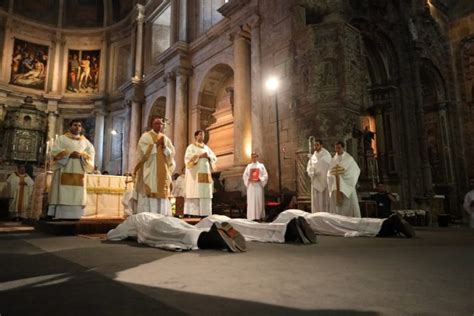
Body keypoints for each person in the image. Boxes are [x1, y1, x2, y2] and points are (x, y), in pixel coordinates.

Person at [197, 209, 415, 241]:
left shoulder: (285, 213)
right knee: (336, 222)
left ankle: (384, 225)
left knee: (334, 222)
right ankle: (383, 225)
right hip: (299, 219)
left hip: (297, 218)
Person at [107, 212, 247, 252]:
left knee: (177, 235)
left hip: (150, 227)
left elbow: (112, 235)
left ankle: (214, 240)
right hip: (168, 219)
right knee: (186, 229)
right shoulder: (151, 213)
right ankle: (211, 234)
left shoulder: (131, 220)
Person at [47, 119, 95, 220]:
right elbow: (55, 151)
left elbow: (91, 154)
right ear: (70, 127)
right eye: (75, 125)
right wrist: (69, 154)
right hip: (64, 168)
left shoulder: (86, 142)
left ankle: (76, 215)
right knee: (62, 191)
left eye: (79, 125)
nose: (77, 127)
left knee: (77, 193)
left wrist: (81, 155)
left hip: (79, 169)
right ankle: (60, 214)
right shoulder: (61, 139)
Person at [133, 118, 175, 216]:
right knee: (151, 189)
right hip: (150, 168)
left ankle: (162, 214)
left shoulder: (166, 138)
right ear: (152, 125)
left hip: (162, 170)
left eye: (161, 124)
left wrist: (164, 147)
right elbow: (142, 153)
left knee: (162, 190)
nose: (159, 126)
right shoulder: (145, 137)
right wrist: (156, 145)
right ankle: (149, 215)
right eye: (157, 124)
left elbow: (171, 154)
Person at [184, 130, 217, 217]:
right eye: (200, 134)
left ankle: (205, 213)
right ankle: (195, 214)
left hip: (206, 174)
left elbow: (214, 157)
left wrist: (209, 156)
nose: (202, 136)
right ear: (195, 136)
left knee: (205, 193)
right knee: (197, 192)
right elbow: (188, 159)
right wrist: (199, 156)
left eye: (203, 135)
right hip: (196, 175)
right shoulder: (191, 147)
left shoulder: (206, 148)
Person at [327, 141, 361, 217]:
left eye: (339, 148)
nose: (337, 150)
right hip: (335, 186)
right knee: (337, 208)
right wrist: (333, 177)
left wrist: (342, 179)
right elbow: (329, 172)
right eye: (336, 148)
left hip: (347, 186)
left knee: (349, 206)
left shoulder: (349, 159)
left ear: (343, 148)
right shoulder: (333, 159)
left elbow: (355, 170)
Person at [306, 139, 332, 213]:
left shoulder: (326, 156)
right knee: (316, 200)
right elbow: (309, 168)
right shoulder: (312, 157)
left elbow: (328, 166)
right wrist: (311, 172)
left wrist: (318, 170)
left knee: (324, 200)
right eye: (315, 145)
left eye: (317, 145)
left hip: (324, 181)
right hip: (316, 182)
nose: (315, 147)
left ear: (321, 145)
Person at [243, 152, 268, 221]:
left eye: (255, 156)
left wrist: (260, 179)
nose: (254, 158)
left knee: (259, 201)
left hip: (258, 185)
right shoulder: (248, 166)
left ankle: (259, 216)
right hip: (251, 186)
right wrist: (248, 179)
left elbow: (265, 175)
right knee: (251, 201)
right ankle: (252, 217)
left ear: (257, 157)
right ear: (251, 157)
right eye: (252, 157)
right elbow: (245, 176)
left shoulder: (261, 166)